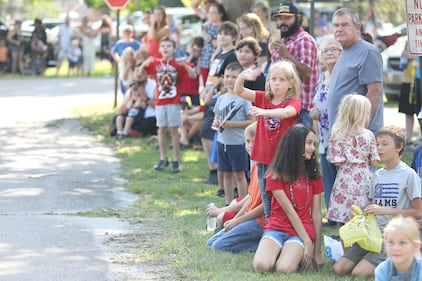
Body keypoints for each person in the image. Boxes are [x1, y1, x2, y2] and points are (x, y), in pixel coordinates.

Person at [333, 125, 422, 278]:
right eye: (377, 144)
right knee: (338, 269)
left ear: (399, 147)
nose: (379, 148)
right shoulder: (377, 175)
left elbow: (418, 212)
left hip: (394, 237)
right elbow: (374, 206)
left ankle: (401, 261)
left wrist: (385, 210)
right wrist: (362, 212)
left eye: (384, 144)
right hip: (372, 236)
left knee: (358, 273)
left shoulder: (409, 175)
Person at [234, 60, 301, 219]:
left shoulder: (293, 102)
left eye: (282, 80)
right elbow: (240, 91)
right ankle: (270, 226)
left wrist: (264, 113)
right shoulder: (263, 98)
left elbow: (287, 113)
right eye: (273, 79)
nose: (276, 83)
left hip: (281, 160)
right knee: (266, 196)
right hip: (263, 158)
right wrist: (242, 76)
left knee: (282, 196)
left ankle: (283, 225)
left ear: (291, 84)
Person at [253, 124, 324, 274]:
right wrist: (307, 242)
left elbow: (316, 214)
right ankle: (278, 250)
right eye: (309, 143)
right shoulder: (275, 174)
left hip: (301, 231)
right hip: (277, 228)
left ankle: (288, 252)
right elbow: (290, 212)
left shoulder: (314, 175)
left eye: (313, 144)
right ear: (296, 145)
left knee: (284, 269)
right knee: (261, 265)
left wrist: (316, 251)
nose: (312, 148)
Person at [206, 121, 266, 253]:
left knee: (218, 246)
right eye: (247, 141)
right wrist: (235, 220)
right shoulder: (255, 166)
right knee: (210, 243)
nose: (250, 146)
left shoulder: (267, 169)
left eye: (254, 141)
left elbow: (265, 206)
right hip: (249, 218)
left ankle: (263, 243)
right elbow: (250, 198)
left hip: (261, 222)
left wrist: (238, 221)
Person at [140, 37, 197, 173]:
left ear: (174, 49)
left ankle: (176, 159)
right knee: (161, 129)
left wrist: (185, 65)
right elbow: (140, 74)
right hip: (160, 102)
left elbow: (193, 75)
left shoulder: (177, 63)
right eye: (163, 46)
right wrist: (144, 64)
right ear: (159, 49)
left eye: (169, 46)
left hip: (173, 101)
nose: (165, 48)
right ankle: (163, 158)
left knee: (173, 130)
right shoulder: (156, 63)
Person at [327, 7, 383, 134]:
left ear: (357, 27)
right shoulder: (345, 51)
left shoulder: (367, 52)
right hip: (341, 134)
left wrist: (359, 129)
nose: (339, 29)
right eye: (336, 25)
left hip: (357, 137)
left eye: (345, 25)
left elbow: (375, 92)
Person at [326, 94, 380, 225]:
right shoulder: (369, 135)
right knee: (363, 216)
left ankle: (345, 244)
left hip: (344, 177)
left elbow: (336, 161)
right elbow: (374, 161)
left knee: (342, 217)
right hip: (364, 178)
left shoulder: (337, 133)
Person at [200, 21, 238, 188]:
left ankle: (215, 171)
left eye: (226, 34)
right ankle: (214, 170)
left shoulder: (232, 55)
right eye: (220, 33)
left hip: (217, 98)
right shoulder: (219, 53)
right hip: (209, 95)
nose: (222, 36)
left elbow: (226, 79)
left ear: (234, 37)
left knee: (207, 132)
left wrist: (215, 93)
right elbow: (211, 74)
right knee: (207, 133)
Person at [309, 36, 342, 226]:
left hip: (339, 133)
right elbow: (318, 102)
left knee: (341, 175)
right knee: (328, 175)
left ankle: (341, 213)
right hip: (323, 133)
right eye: (326, 50)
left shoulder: (343, 76)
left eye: (334, 49)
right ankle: (331, 213)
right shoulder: (322, 76)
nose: (329, 53)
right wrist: (315, 111)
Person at [270, 1, 319, 128]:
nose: (282, 22)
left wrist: (286, 55)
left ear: (298, 18)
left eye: (287, 18)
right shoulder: (281, 41)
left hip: (299, 110)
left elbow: (307, 73)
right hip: (280, 106)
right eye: (280, 18)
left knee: (297, 147)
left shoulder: (304, 40)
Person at [212, 62, 254, 204]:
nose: (230, 80)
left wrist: (232, 124)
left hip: (238, 143)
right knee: (226, 174)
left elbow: (252, 121)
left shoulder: (244, 99)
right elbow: (216, 116)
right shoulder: (221, 98)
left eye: (234, 77)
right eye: (227, 76)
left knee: (239, 175)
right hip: (222, 142)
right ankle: (228, 203)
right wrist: (217, 122)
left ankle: (243, 204)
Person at [375, 215, 422, 281]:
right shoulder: (382, 270)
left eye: (402, 242)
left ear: (416, 246)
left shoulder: (420, 271)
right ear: (385, 244)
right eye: (391, 242)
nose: (395, 248)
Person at [114, 67, 156, 139]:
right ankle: (122, 132)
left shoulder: (154, 85)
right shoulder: (132, 87)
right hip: (132, 116)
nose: (139, 74)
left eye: (142, 72)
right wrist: (131, 99)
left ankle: (132, 132)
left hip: (147, 117)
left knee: (149, 122)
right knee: (117, 118)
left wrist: (145, 98)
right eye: (136, 71)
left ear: (147, 74)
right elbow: (121, 110)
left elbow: (158, 107)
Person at [398, 40, 421, 144]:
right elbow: (404, 56)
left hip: (418, 80)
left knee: (419, 110)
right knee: (408, 109)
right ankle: (408, 136)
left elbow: (413, 55)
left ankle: (420, 135)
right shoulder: (408, 41)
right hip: (408, 79)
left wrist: (410, 55)